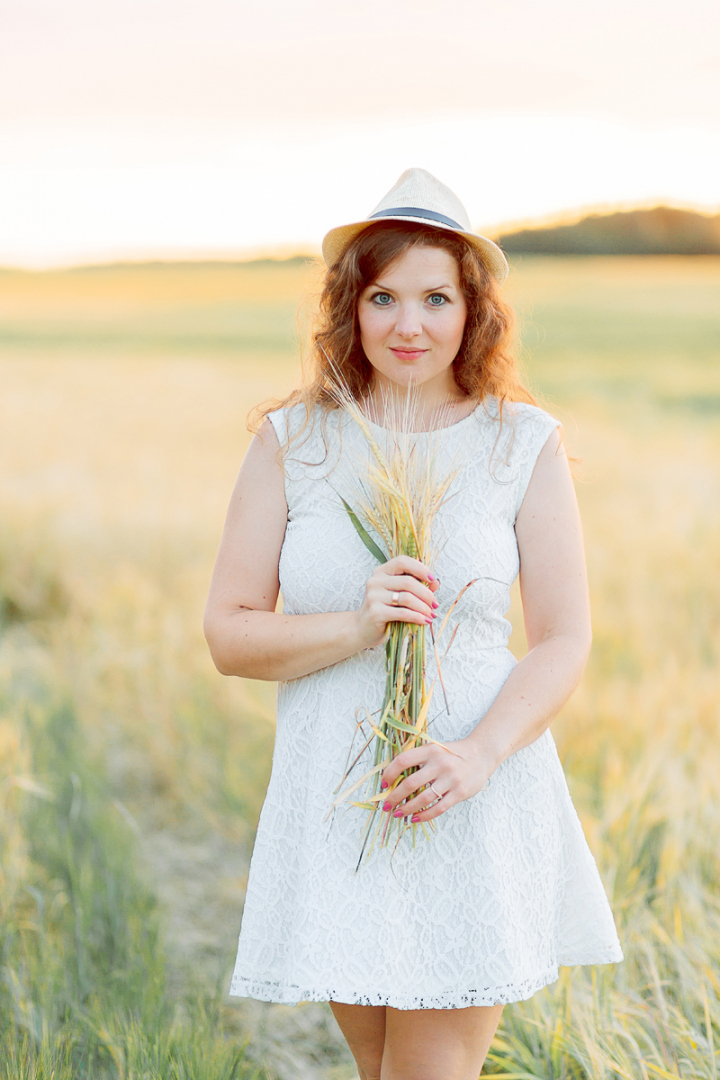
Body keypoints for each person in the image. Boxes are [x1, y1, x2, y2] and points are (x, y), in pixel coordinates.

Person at [203, 168, 623, 1080]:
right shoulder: (294, 441)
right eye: (384, 297)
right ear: (351, 308)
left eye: (437, 297)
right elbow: (230, 634)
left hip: (469, 790)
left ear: (474, 311)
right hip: (339, 802)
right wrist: (359, 626)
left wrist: (477, 756)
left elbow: (563, 638)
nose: (410, 324)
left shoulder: (522, 441)